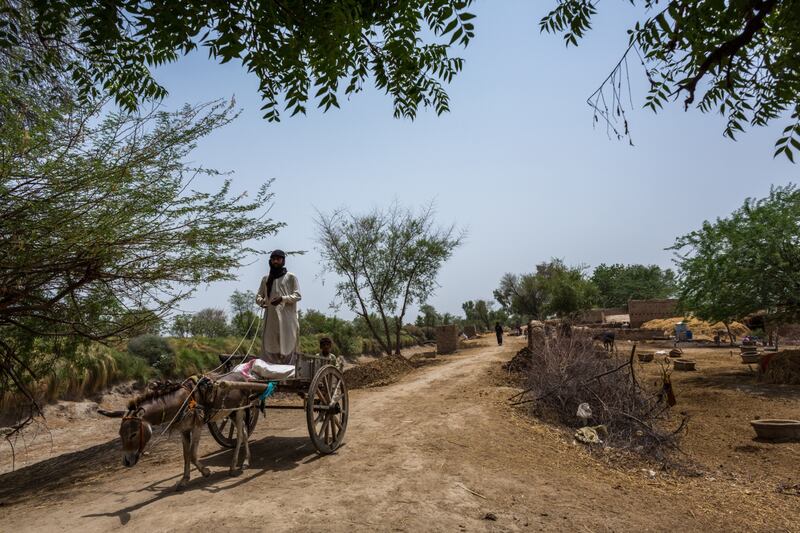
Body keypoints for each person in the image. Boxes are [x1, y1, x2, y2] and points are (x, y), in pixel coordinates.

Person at [256, 250, 301, 364]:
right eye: (273, 259)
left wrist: (282, 299)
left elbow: (297, 295)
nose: (275, 261)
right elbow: (258, 297)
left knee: (288, 348)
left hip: (287, 320)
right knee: (270, 348)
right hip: (270, 320)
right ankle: (270, 379)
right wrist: (262, 302)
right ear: (270, 261)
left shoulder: (291, 277)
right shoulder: (266, 279)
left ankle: (289, 377)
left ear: (283, 261)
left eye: (278, 259)